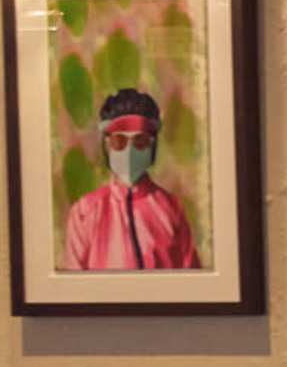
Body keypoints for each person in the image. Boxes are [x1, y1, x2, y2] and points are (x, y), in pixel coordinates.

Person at [60, 87, 199, 272]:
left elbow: (191, 280)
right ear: (107, 145)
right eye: (120, 141)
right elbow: (74, 289)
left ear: (153, 146)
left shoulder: (171, 209)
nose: (129, 151)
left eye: (140, 142)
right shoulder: (84, 212)